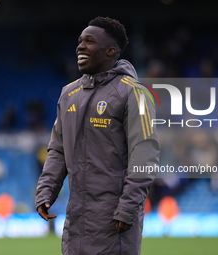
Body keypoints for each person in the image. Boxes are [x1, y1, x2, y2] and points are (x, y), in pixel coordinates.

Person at [35, 17, 160, 255]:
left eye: (89, 41)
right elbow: (58, 149)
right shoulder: (68, 94)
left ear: (110, 51)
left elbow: (145, 156)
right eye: (80, 41)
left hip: (115, 221)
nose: (80, 46)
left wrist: (128, 208)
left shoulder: (136, 94)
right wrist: (46, 190)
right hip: (76, 223)